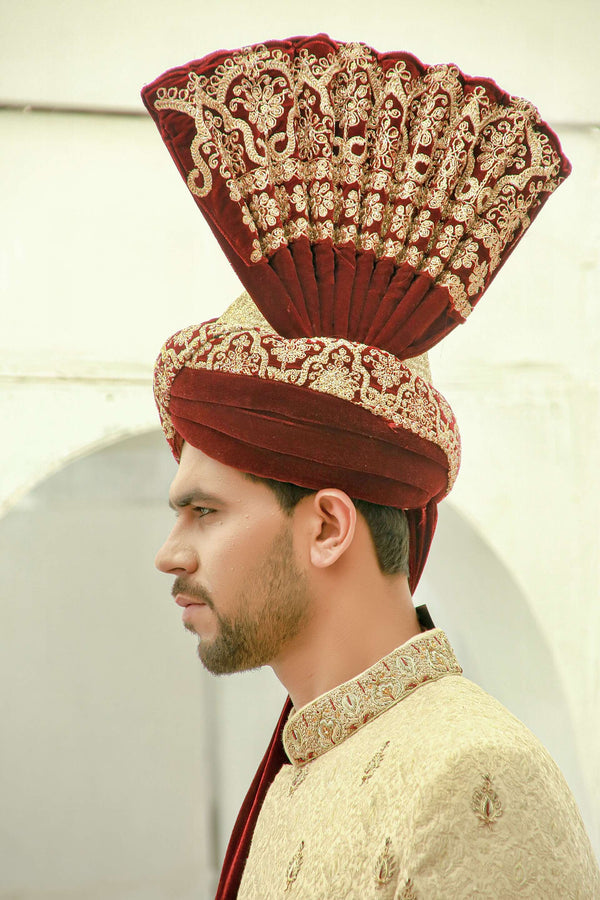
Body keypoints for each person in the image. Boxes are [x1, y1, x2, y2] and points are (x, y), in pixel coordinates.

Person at [143, 35, 600, 898]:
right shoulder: (299, 766)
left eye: (204, 512)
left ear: (325, 525)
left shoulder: (473, 779)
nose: (171, 552)